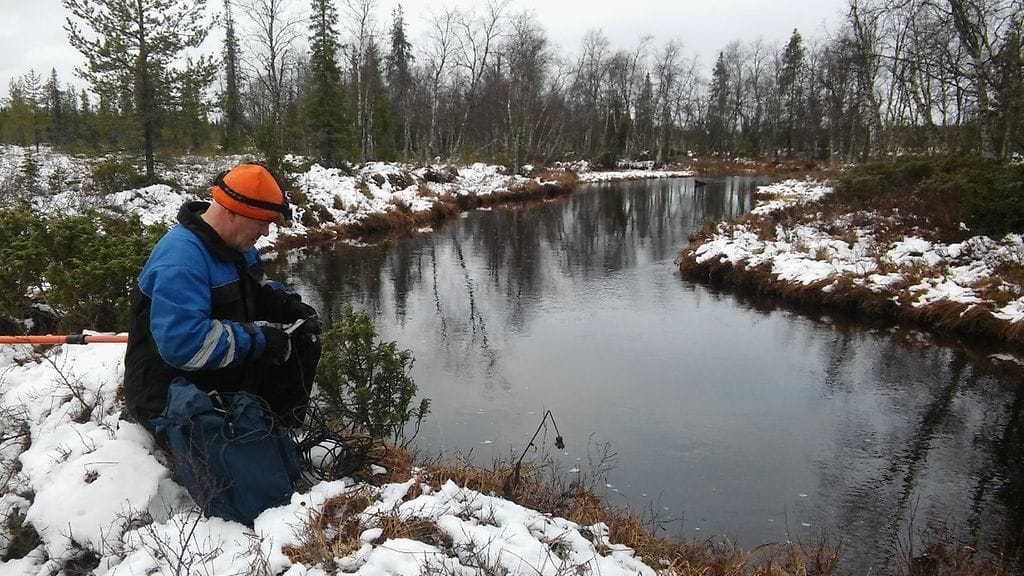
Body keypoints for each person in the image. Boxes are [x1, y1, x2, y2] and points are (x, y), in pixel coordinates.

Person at [123, 161, 321, 437]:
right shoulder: (181, 261)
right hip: (169, 391)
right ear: (232, 213)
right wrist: (260, 339)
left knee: (303, 343)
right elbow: (185, 345)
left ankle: (278, 433)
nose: (266, 232)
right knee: (272, 348)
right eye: (262, 222)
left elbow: (258, 289)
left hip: (212, 373)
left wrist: (288, 305)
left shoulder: (237, 245)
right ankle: (257, 441)